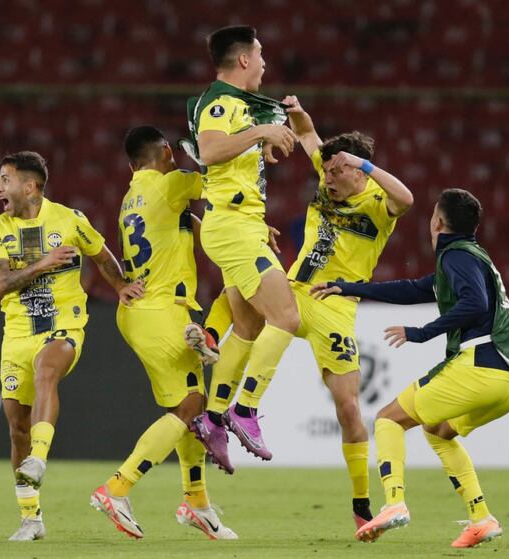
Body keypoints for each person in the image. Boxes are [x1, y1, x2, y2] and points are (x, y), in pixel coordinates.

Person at [190, 97, 415, 528]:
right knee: (255, 320)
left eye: (336, 171)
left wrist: (364, 166)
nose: (327, 177)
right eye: (325, 170)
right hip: (296, 290)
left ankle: (361, 504)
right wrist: (295, 111)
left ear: (357, 169)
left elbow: (406, 198)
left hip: (338, 308)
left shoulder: (379, 204)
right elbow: (309, 133)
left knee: (348, 408)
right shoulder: (329, 171)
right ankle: (230, 413)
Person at [311, 188, 509, 547]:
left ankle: (394, 503)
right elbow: (415, 288)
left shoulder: (456, 256)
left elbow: (476, 303)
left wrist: (422, 333)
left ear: (437, 222)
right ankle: (481, 518)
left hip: (481, 364)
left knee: (387, 419)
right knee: (439, 431)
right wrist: (348, 287)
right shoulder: (472, 256)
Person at [0, 151, 143, 542]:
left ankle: (40, 457)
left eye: (5, 180)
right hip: (17, 332)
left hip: (63, 324)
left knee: (46, 371)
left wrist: (121, 285)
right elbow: (0, 284)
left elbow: (102, 256)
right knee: (17, 429)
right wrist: (45, 263)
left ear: (29, 185)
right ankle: (31, 518)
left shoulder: (70, 219)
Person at [89, 126, 237, 540]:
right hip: (162, 312)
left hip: (141, 311)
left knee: (191, 406)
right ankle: (117, 489)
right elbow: (221, 183)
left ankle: (197, 502)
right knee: (190, 407)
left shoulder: (133, 196)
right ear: (167, 152)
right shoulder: (171, 183)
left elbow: (187, 223)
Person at [185, 24, 301, 471]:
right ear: (245, 60)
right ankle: (245, 410)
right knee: (286, 317)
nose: (266, 64)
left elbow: (229, 163)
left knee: (249, 328)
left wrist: (259, 143)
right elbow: (210, 151)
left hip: (243, 224)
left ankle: (214, 419)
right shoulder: (220, 103)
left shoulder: (239, 108)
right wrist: (261, 134)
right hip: (231, 228)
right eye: (262, 55)